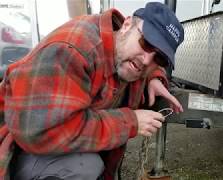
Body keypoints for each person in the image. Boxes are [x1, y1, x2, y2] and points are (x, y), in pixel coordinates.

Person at [0, 2, 184, 180]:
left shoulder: (126, 51)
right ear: (127, 25)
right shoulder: (71, 52)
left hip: (44, 142)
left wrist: (155, 78)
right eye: (147, 43)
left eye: (159, 58)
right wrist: (131, 122)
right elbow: (41, 132)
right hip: (18, 146)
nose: (146, 61)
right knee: (84, 168)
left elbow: (146, 61)